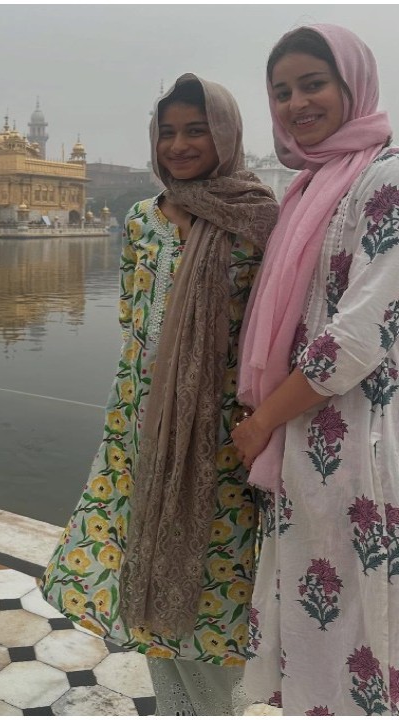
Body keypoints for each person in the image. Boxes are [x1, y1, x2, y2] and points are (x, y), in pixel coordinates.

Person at [39, 75, 278, 715]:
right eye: (167, 132)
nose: (179, 144)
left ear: (225, 134)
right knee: (145, 565)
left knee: (213, 577)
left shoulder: (258, 219)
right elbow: (132, 321)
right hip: (141, 429)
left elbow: (271, 333)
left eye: (195, 129)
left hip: (221, 441)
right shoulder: (145, 218)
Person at [234, 24, 399, 715]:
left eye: (313, 84)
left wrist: (264, 417)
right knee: (311, 632)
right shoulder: (310, 186)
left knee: (364, 633)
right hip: (306, 447)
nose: (296, 103)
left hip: (359, 448)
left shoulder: (385, 175)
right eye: (282, 92)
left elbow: (359, 334)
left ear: (352, 86)